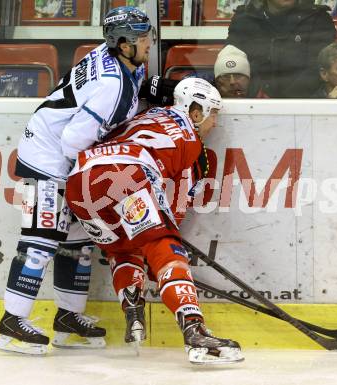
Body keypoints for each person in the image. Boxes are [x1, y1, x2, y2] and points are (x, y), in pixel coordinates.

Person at [0, 6, 173, 355]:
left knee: (77, 241)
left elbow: (129, 88)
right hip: (46, 160)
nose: (149, 42)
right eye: (142, 38)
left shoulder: (113, 57)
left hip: (64, 162)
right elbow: (73, 141)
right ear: (123, 44)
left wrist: (159, 87)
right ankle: (11, 322)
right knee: (41, 239)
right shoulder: (111, 84)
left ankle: (67, 318)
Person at [65, 78, 244, 365]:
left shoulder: (148, 115)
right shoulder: (190, 139)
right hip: (125, 174)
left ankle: (133, 312)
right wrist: (165, 242)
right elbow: (173, 212)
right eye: (213, 114)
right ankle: (195, 331)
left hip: (80, 181)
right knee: (164, 245)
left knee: (122, 248)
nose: (215, 123)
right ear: (196, 113)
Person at [226, 0, 336, 98]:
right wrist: (257, 93)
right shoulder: (244, 19)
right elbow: (232, 61)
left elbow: (319, 66)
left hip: (305, 103)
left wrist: (286, 101)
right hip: (254, 102)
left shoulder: (318, 19)